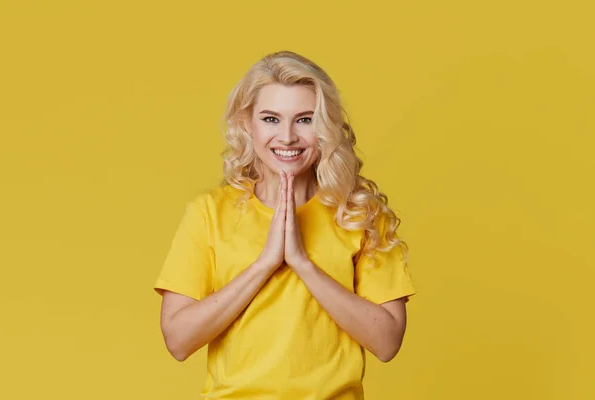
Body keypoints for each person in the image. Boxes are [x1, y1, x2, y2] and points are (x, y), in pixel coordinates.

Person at [153, 50, 417, 399]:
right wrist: (264, 264)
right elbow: (178, 340)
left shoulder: (359, 213)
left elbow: (387, 342)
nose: (288, 137)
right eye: (271, 119)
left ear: (326, 127)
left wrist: (302, 263)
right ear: (247, 124)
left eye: (305, 120)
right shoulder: (208, 213)